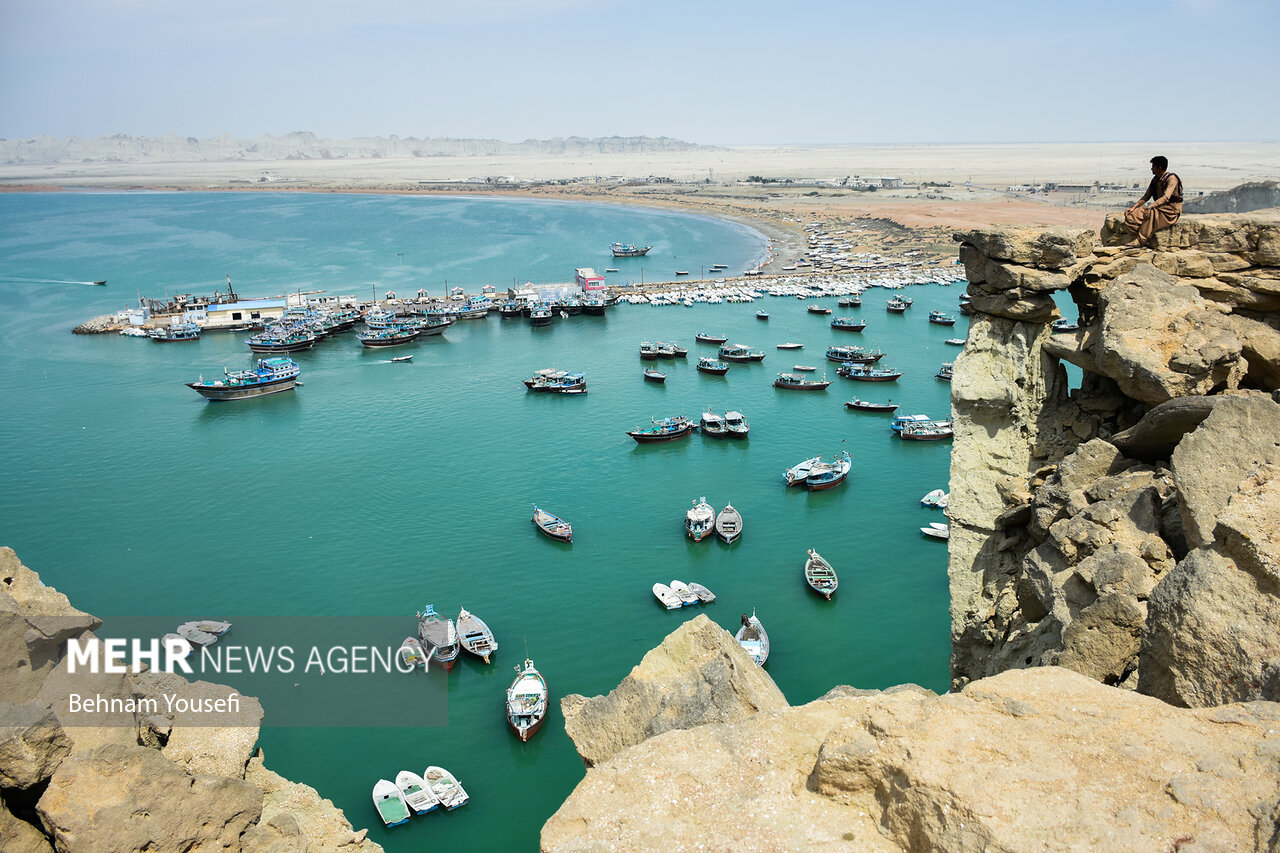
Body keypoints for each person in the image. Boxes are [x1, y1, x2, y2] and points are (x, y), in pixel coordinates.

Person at [1124, 156, 1183, 248]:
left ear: (1159, 168)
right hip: (1158, 208)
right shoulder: (1155, 179)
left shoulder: (1171, 179)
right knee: (1131, 216)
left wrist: (1150, 207)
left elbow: (1166, 197)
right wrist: (1134, 207)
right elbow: (1147, 196)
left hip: (1170, 211)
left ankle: (1141, 240)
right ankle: (1142, 235)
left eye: (1153, 166)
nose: (1151, 169)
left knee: (1150, 215)